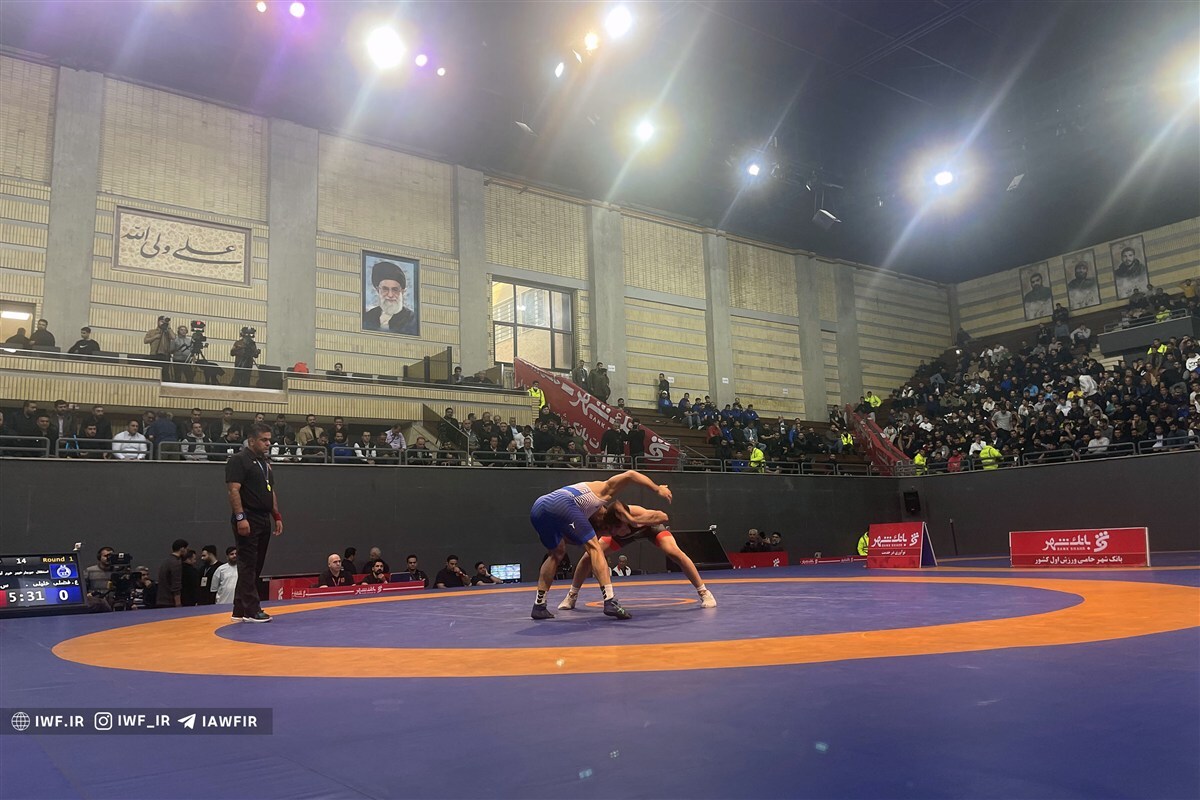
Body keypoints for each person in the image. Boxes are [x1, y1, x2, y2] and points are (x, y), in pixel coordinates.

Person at [529, 469, 672, 620]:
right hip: (561, 502)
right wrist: (658, 488)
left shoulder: (586, 515)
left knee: (556, 554)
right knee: (595, 549)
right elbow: (630, 474)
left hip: (538, 508)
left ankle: (539, 605)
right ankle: (610, 600)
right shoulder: (602, 491)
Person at [559, 500, 716, 609]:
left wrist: (639, 521)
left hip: (650, 529)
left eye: (618, 527)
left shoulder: (636, 512)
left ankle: (704, 592)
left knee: (674, 553)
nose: (614, 531)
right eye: (612, 529)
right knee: (588, 557)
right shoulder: (609, 522)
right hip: (622, 538)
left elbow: (664, 516)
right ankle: (572, 595)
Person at [225, 423, 283, 623]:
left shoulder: (264, 463)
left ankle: (239, 609)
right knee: (248, 564)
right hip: (248, 516)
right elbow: (233, 490)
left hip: (263, 517)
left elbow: (270, 491)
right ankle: (252, 610)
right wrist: (241, 518)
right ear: (251, 441)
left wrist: (276, 515)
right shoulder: (238, 460)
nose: (268, 443)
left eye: (269, 440)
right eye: (263, 440)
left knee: (256, 565)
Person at [362, 260, 417, 334]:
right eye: (385, 289)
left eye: (395, 290)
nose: (390, 295)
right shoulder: (368, 317)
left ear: (403, 292)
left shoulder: (413, 321)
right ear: (378, 290)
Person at [156, 539, 188, 608]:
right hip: (170, 601)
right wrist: (178, 604)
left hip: (161, 600)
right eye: (186, 549)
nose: (186, 552)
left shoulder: (166, 561)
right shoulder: (176, 563)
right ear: (182, 549)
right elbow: (176, 585)